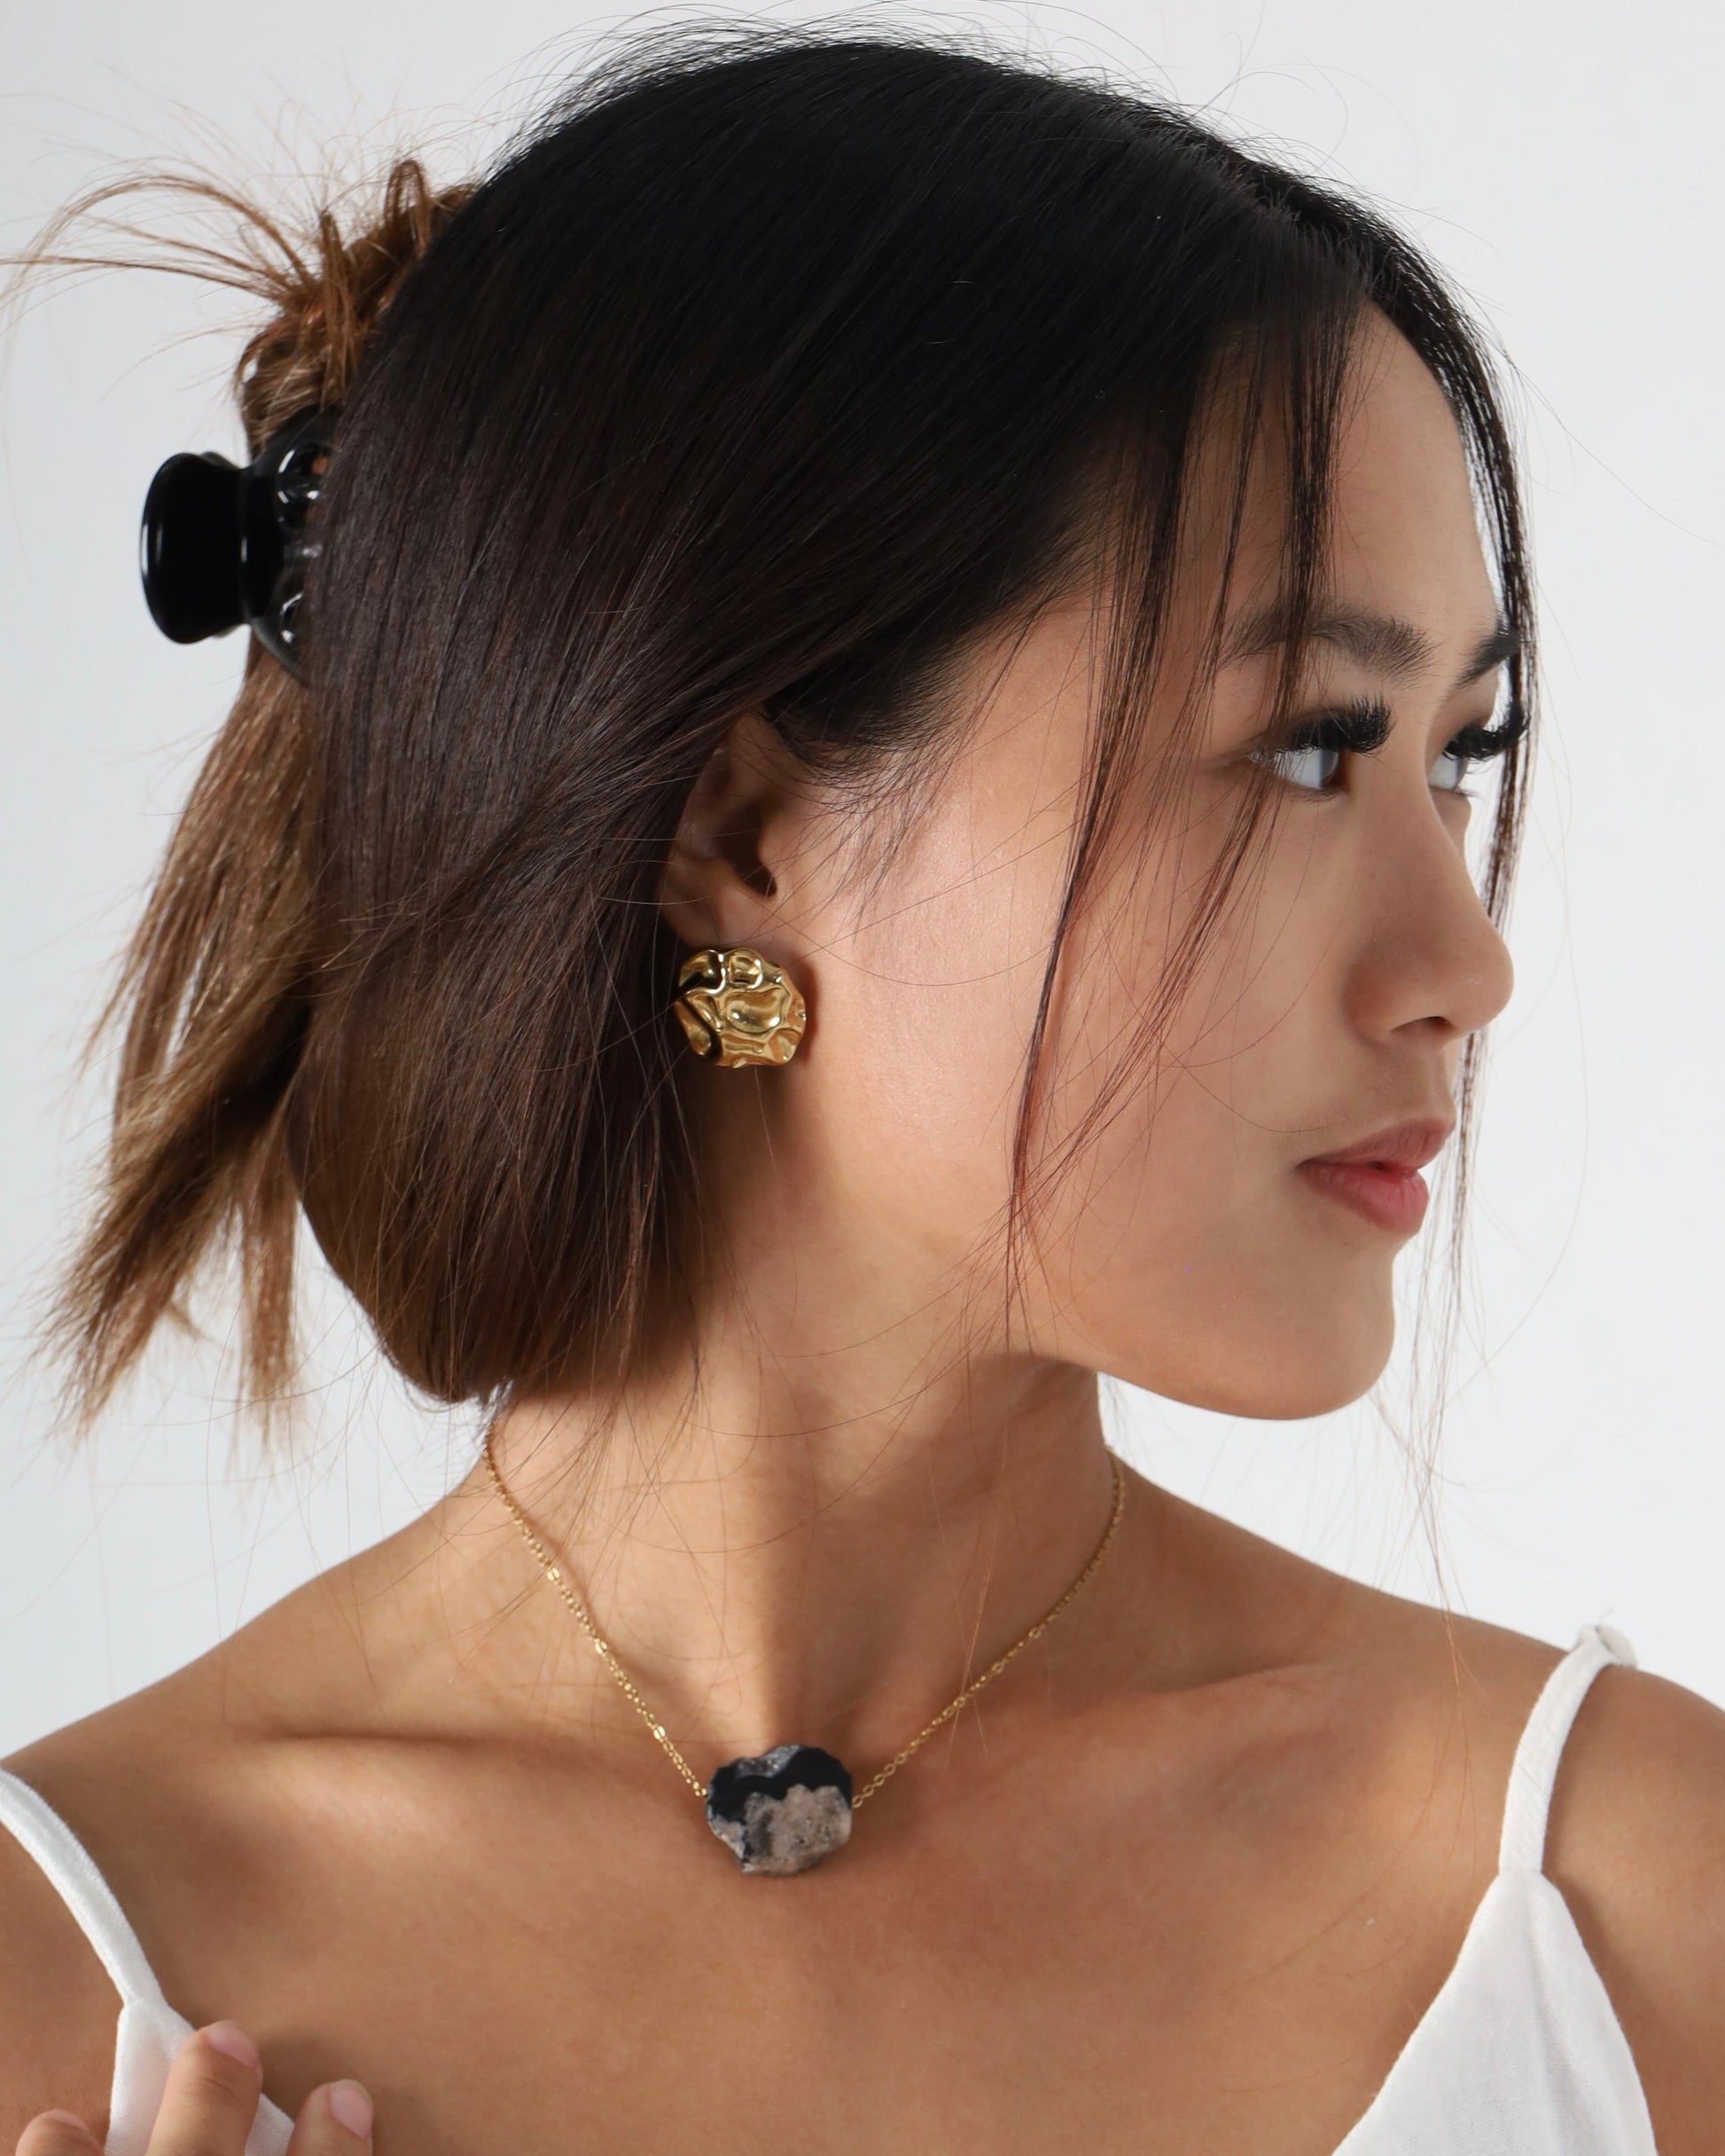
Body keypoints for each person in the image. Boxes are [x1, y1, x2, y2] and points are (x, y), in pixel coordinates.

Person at [2, 25, 1720, 2156]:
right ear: (738, 833)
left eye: (1456, 755)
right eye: (1307, 747)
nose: (1464, 963)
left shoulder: (1632, 1925)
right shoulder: (63, 1982)